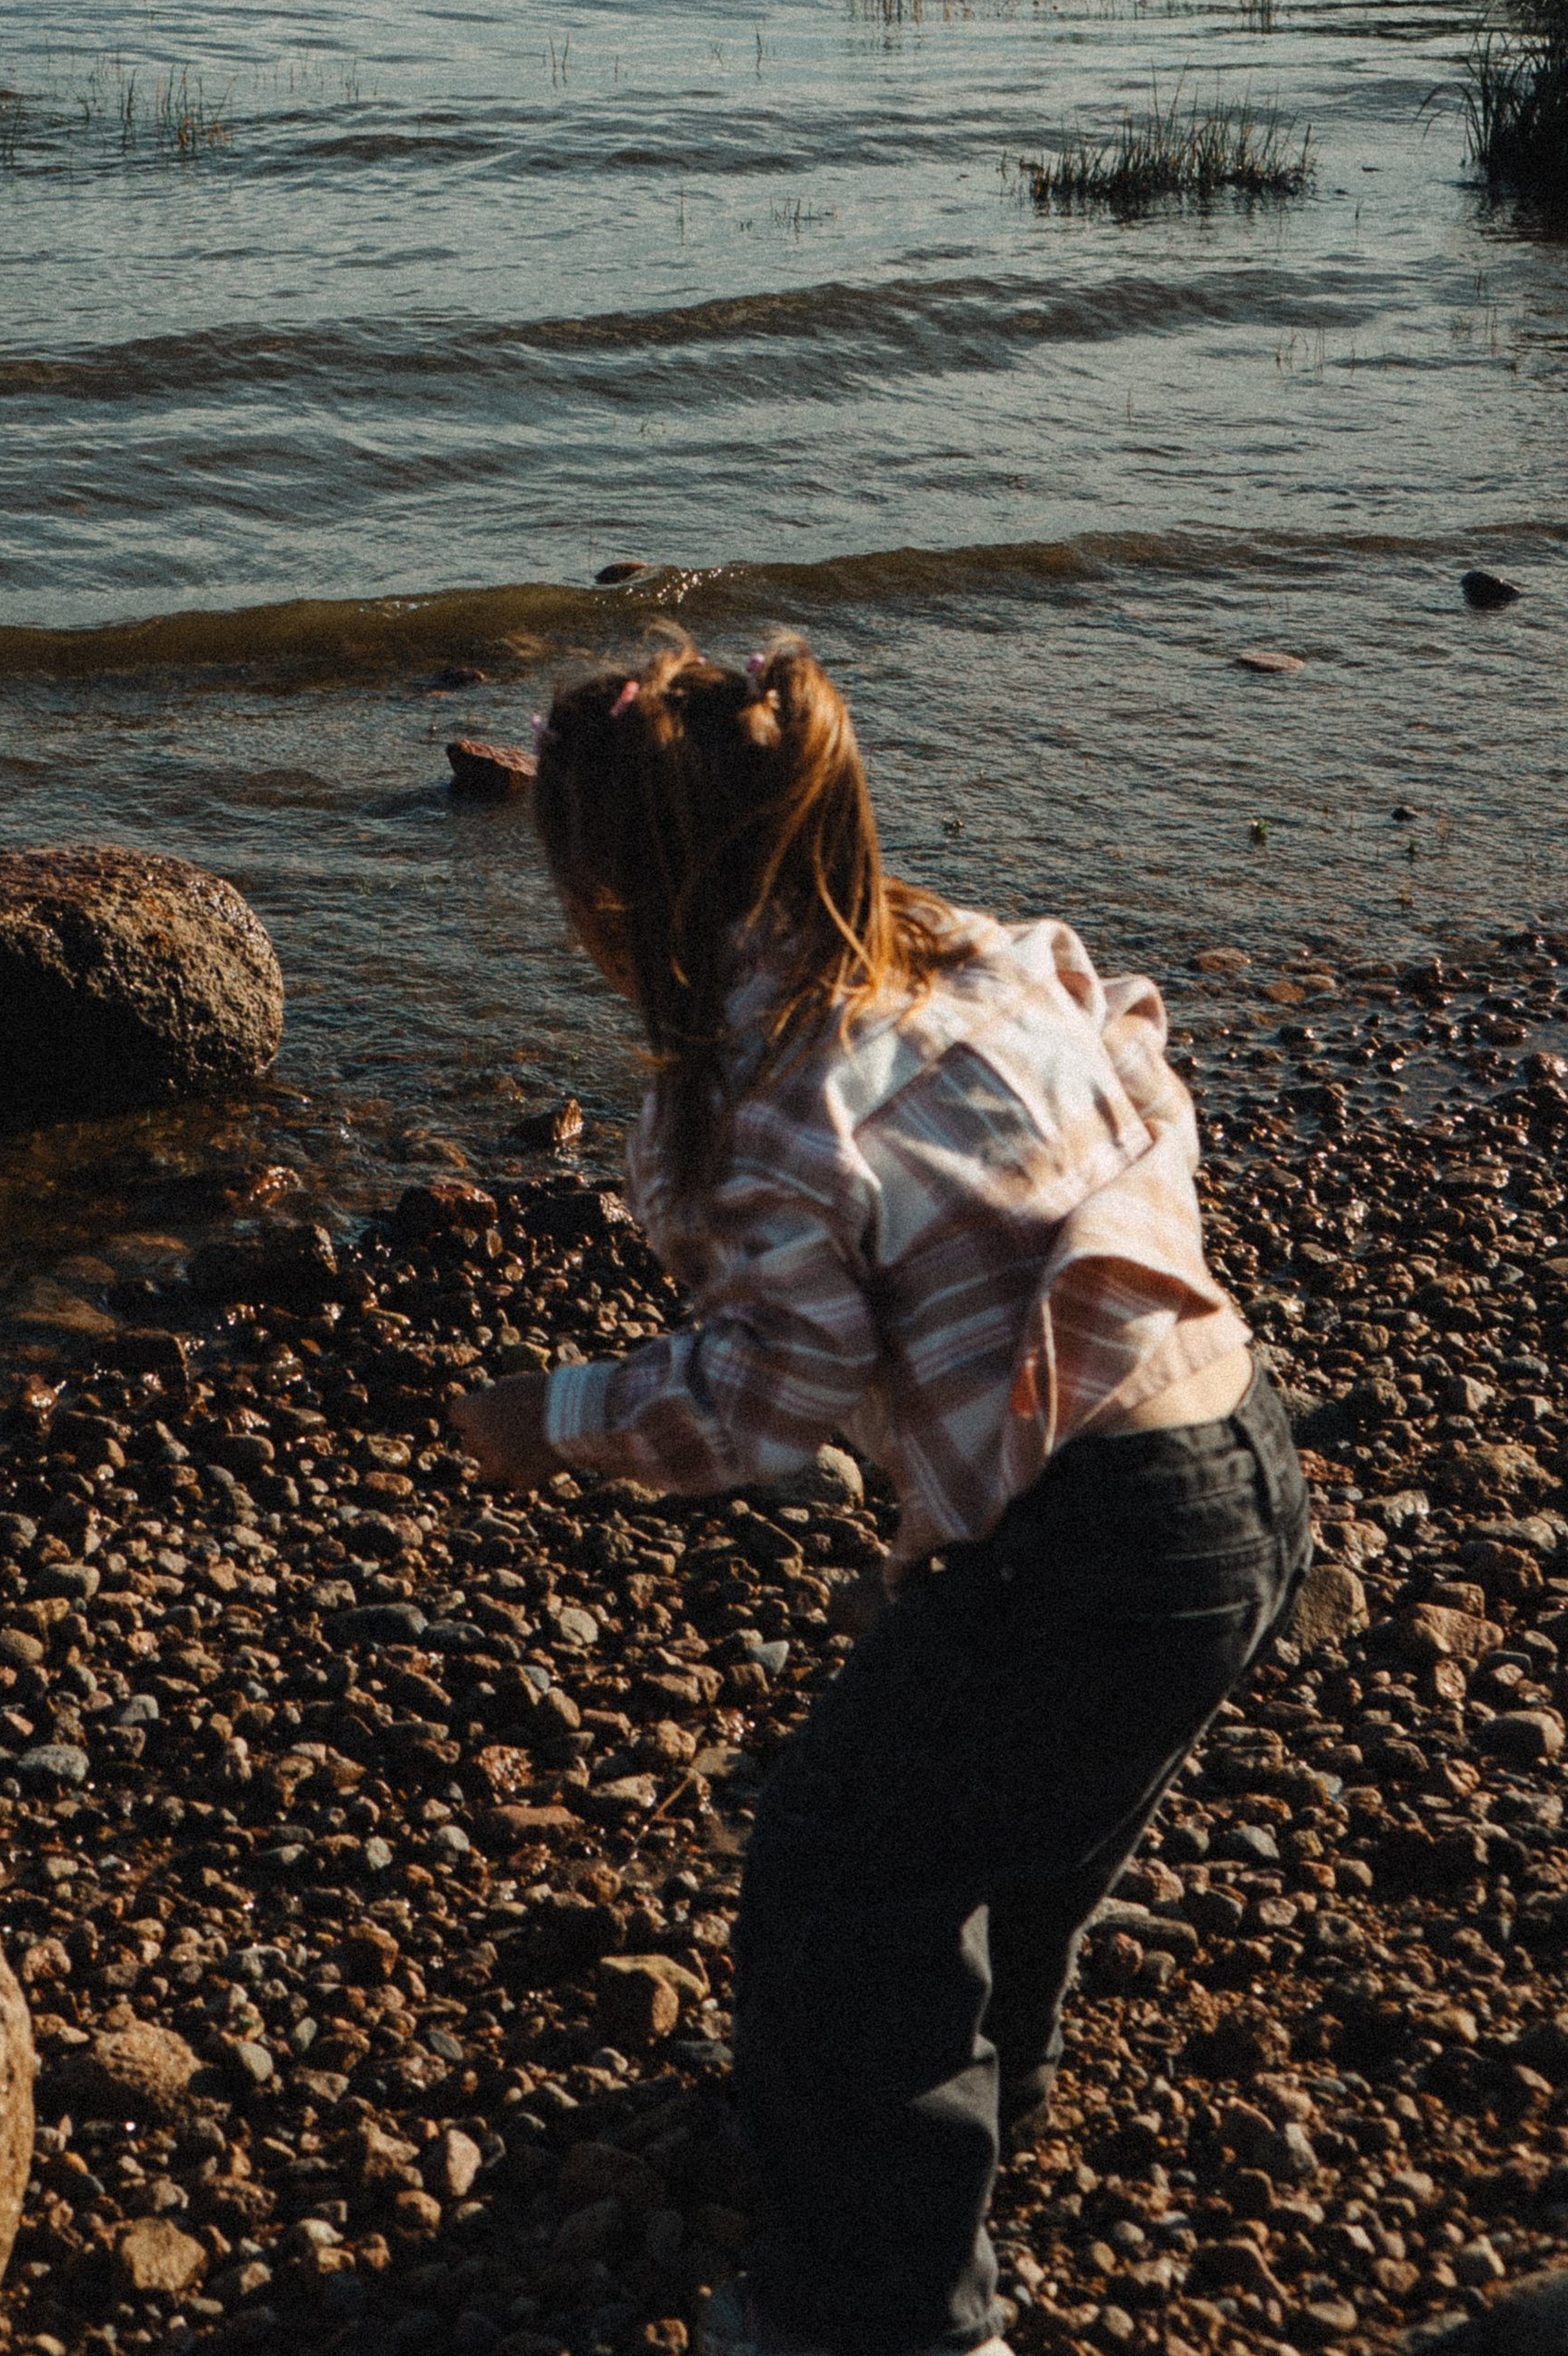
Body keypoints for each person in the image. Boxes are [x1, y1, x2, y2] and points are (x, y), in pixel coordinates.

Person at [453, 630, 1309, 2356]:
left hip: (1095, 1543)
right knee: (1026, 1839)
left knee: (846, 1886)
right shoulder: (987, 958)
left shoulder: (770, 1102)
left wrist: (554, 1416)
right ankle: (983, 2100)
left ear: (627, 897)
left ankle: (888, 2310)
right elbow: (1136, 1076)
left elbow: (773, 1396)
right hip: (1242, 1469)